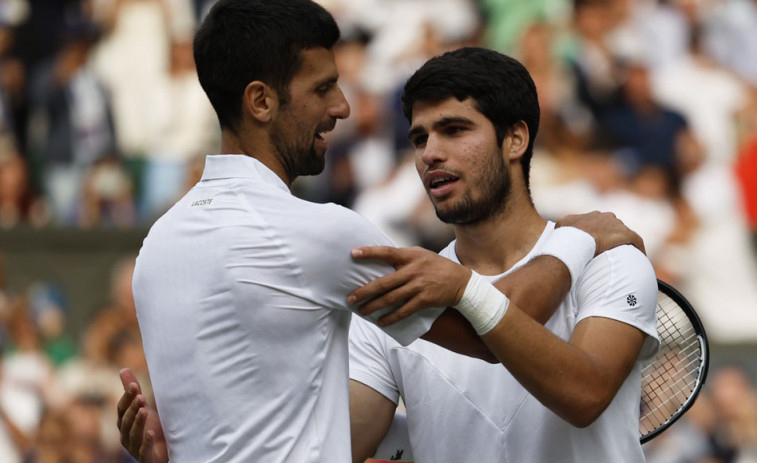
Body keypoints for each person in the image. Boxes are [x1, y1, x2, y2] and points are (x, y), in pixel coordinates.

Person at [117, 2, 649, 462]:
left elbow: (583, 393)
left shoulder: (158, 242)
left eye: (455, 129)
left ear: (516, 140)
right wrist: (574, 240)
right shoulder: (368, 269)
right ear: (261, 101)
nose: (430, 152)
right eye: (419, 138)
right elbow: (485, 332)